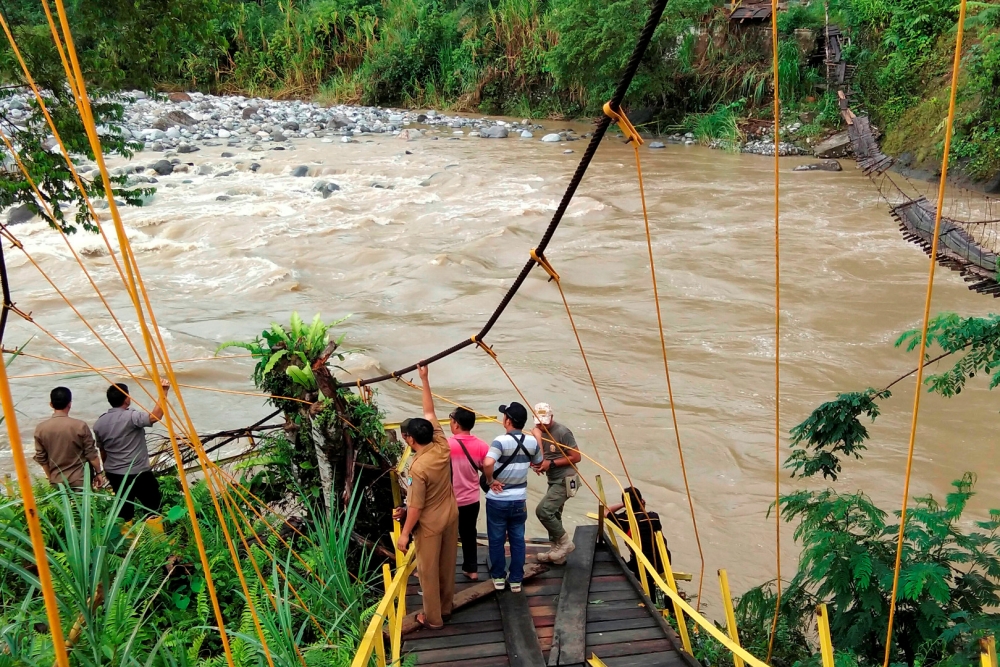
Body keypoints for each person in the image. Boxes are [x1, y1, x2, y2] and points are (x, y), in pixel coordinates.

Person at [393, 364, 459, 630]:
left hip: (430, 523)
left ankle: (433, 618)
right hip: (451, 514)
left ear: (410, 440)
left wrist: (405, 533)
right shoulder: (442, 444)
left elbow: (416, 506)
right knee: (447, 564)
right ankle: (446, 606)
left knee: (429, 573)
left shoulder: (417, 468)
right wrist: (424, 379)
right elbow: (430, 412)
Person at [483, 402, 542, 593]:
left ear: (507, 420)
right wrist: (538, 438)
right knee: (517, 540)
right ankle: (516, 580)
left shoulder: (500, 441)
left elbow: (488, 462)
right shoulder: (532, 442)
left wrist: (491, 480)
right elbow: (539, 463)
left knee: (496, 539)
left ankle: (499, 577)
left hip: (498, 500)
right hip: (519, 500)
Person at [93, 380, 170, 522]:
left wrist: (107, 471)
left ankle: (127, 540)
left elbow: (102, 451)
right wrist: (163, 391)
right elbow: (155, 416)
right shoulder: (132, 417)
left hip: (115, 474)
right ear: (127, 399)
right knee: (153, 508)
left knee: (124, 512)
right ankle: (156, 539)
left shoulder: (99, 423)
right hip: (138, 473)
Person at [530, 402, 582, 565]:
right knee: (555, 514)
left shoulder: (562, 432)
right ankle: (556, 551)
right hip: (553, 479)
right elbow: (541, 455)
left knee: (544, 511)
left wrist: (551, 464)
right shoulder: (537, 432)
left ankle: (565, 543)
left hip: (566, 479)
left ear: (551, 417)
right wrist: (538, 465)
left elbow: (576, 456)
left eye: (544, 421)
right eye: (538, 422)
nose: (541, 425)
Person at [33, 387, 106, 491]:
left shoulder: (40, 428)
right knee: (82, 507)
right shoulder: (80, 426)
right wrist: (98, 473)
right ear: (70, 404)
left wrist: (51, 478)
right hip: (80, 479)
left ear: (51, 404)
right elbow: (91, 454)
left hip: (57, 479)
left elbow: (41, 458)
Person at [448, 406, 490, 581]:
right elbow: (487, 468)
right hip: (472, 499)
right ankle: (472, 569)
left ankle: (445, 571)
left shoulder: (446, 445)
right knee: (469, 534)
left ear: (456, 424)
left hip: (450, 500)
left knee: (447, 538)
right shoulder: (482, 446)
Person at [606, 486, 668, 578]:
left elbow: (604, 511)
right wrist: (642, 506)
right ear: (641, 500)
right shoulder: (654, 517)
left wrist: (623, 504)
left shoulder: (624, 519)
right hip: (662, 564)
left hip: (641, 566)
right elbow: (644, 520)